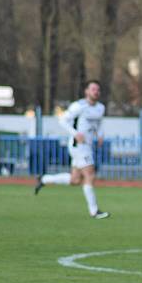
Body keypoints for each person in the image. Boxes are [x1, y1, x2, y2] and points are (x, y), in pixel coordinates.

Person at [34, 79, 110, 219]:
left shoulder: (100, 107)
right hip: (78, 146)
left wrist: (100, 135)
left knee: (75, 180)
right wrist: (76, 134)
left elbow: (98, 124)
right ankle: (94, 211)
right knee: (90, 174)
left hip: (87, 146)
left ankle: (44, 179)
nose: (96, 92)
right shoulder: (79, 106)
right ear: (86, 91)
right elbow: (62, 120)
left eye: (98, 90)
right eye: (93, 89)